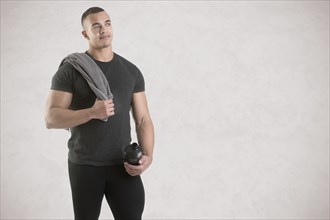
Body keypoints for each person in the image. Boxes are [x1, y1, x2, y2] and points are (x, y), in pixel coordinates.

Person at [44, 6, 154, 220]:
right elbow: (51, 118)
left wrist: (148, 156)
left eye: (107, 23)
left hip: (123, 165)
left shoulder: (131, 71)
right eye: (96, 26)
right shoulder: (70, 71)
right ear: (85, 34)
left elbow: (142, 120)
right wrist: (91, 112)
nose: (104, 30)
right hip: (85, 165)